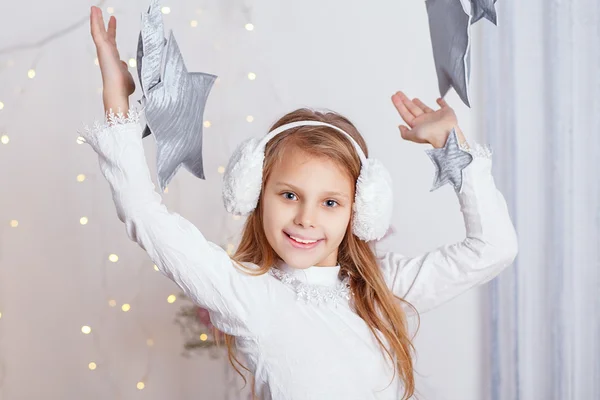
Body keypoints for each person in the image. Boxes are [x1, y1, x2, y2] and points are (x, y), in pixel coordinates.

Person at [83, 6, 518, 400]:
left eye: (331, 203)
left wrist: (453, 147)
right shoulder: (248, 295)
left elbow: (494, 249)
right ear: (255, 190)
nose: (306, 218)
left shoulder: (382, 290)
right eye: (289, 195)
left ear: (360, 210)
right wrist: (116, 94)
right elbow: (144, 214)